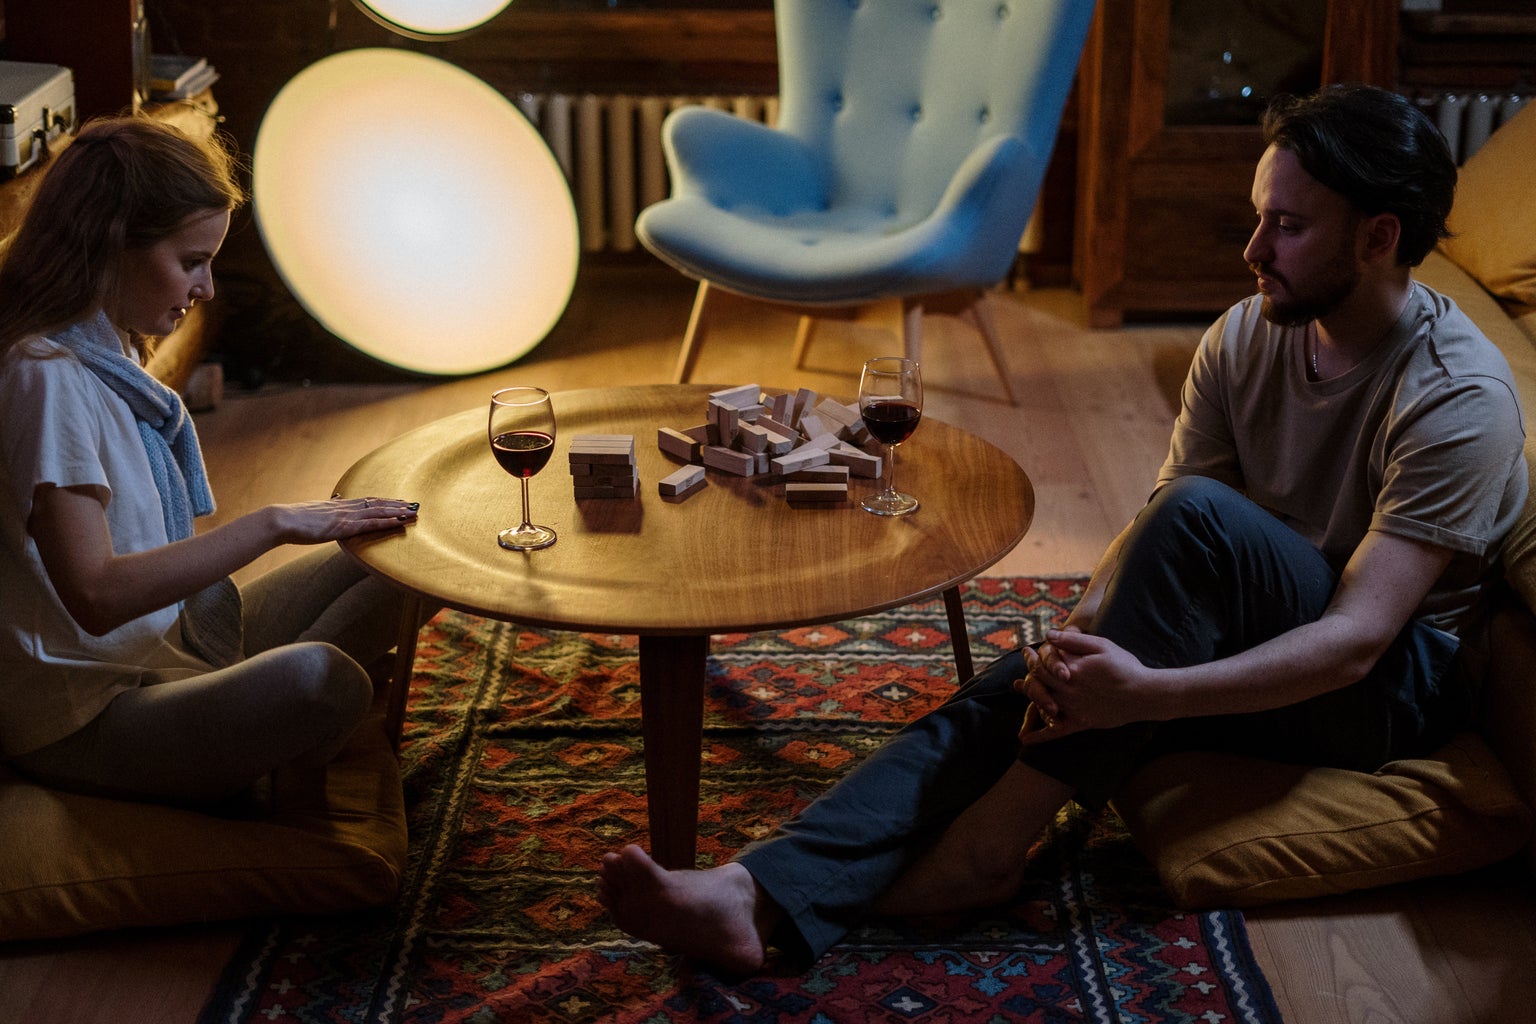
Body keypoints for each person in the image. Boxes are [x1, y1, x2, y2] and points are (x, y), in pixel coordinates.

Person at [596, 84, 1529, 974]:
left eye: (1287, 226)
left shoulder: (1456, 395)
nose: (1252, 247)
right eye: (1258, 214)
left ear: (1377, 237)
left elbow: (1357, 643)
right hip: (1263, 624)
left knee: (1173, 563)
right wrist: (1085, 649)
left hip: (1387, 687)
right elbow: (1159, 538)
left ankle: (985, 852)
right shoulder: (1247, 335)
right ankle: (756, 887)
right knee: (1036, 676)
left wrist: (1149, 695)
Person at [0, 115, 419, 810]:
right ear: (111, 247)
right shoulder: (45, 376)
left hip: (162, 648)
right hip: (89, 714)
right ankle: (258, 770)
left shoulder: (107, 344)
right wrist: (272, 524)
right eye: (191, 261)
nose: (208, 289)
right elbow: (96, 598)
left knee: (404, 555)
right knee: (324, 680)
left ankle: (250, 732)